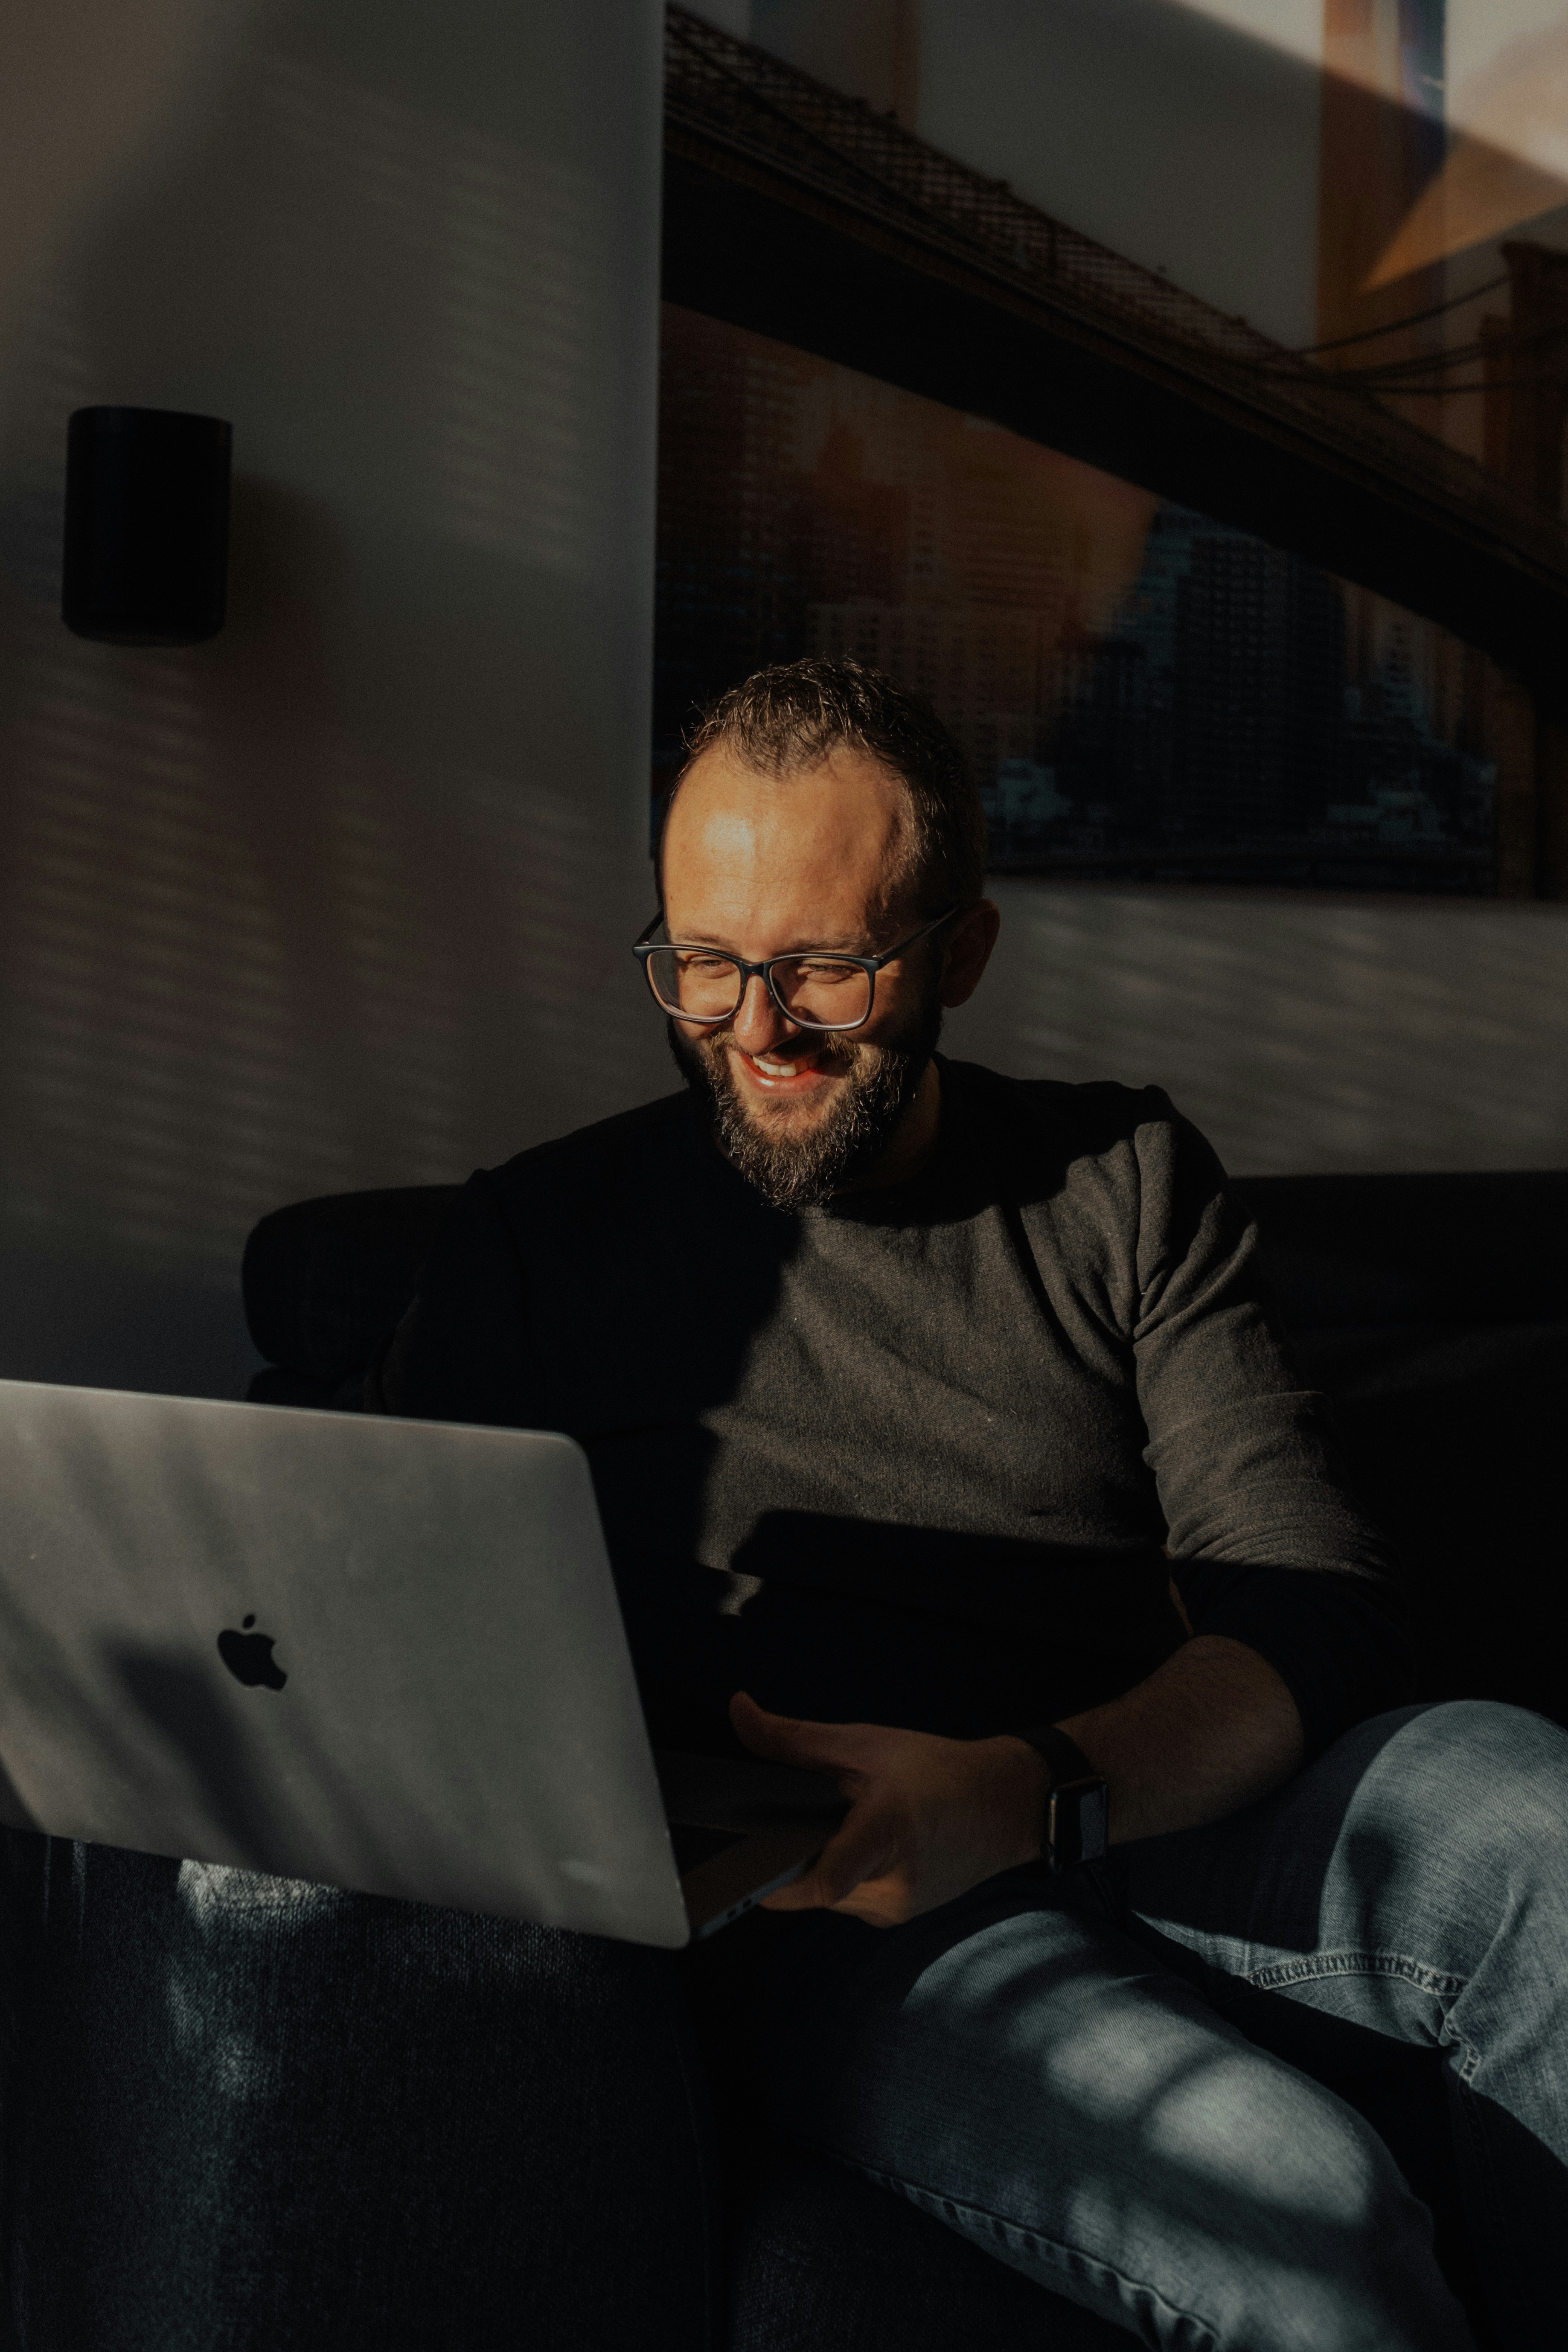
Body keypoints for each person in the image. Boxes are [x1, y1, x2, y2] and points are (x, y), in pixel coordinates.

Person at [372, 658, 1566, 2352]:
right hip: (826, 1903)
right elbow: (411, 1671)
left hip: (1130, 1791)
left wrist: (1036, 1786)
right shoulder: (531, 1241)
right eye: (702, 962)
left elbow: (1310, 1595)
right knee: (1297, 2204)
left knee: (1536, 1807)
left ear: (960, 954)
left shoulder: (1121, 1177)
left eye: (825, 968)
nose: (756, 1029)